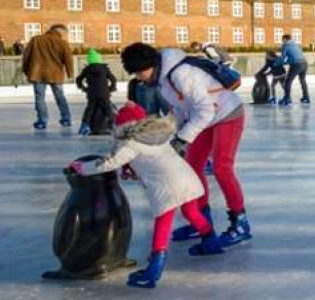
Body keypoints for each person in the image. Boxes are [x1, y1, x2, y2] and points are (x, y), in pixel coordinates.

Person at [70, 102, 223, 288]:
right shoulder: (155, 135)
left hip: (168, 186)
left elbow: (109, 163)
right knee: (192, 213)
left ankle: (153, 270)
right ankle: (211, 240)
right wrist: (134, 171)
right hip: (187, 178)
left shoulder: (130, 143)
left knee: (163, 222)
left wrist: (82, 168)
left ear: (122, 126)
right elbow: (153, 160)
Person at [120, 42, 252, 248]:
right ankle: (200, 219)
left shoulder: (181, 74)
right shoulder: (163, 81)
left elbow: (205, 109)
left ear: (150, 65)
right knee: (192, 167)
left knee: (221, 167)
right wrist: (173, 137)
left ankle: (240, 223)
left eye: (139, 71)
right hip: (204, 117)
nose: (138, 77)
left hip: (227, 113)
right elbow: (182, 110)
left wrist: (183, 138)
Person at [22, 24, 75, 130]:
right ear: (59, 32)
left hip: (37, 73)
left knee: (39, 98)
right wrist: (70, 73)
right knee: (60, 96)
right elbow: (68, 59)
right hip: (55, 74)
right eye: (64, 33)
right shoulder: (62, 43)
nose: (65, 36)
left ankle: (42, 120)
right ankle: (66, 118)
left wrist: (26, 70)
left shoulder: (36, 40)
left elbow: (26, 56)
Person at [75, 48, 118, 136]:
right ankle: (115, 126)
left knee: (89, 110)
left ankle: (83, 127)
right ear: (99, 59)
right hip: (104, 93)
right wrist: (111, 88)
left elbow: (78, 79)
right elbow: (113, 79)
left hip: (92, 94)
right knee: (108, 109)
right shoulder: (104, 69)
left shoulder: (87, 69)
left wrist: (83, 88)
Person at [270, 35, 309, 106]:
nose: (282, 41)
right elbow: (294, 56)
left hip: (296, 64)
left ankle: (287, 99)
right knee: (302, 80)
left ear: (285, 39)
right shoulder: (296, 45)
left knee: (288, 81)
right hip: (304, 63)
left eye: (282, 40)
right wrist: (286, 62)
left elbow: (283, 57)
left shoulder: (285, 45)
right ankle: (306, 97)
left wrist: (276, 64)